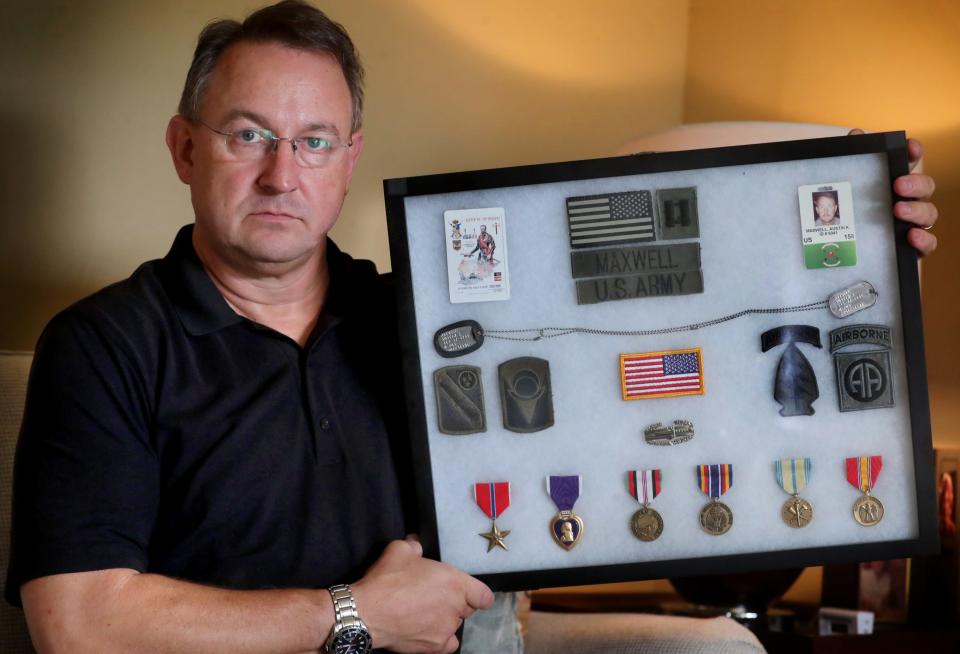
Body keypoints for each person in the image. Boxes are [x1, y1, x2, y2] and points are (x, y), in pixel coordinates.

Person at [3, 2, 940, 653]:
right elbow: (78, 624)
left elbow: (668, 321)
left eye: (314, 141)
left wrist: (862, 255)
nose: (283, 174)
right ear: (185, 148)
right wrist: (353, 615)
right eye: (249, 134)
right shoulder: (104, 345)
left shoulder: (433, 318)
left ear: (348, 160)